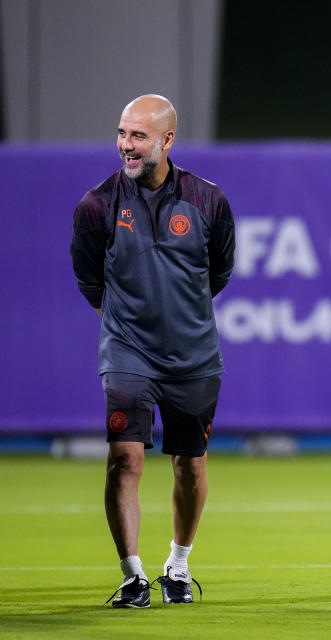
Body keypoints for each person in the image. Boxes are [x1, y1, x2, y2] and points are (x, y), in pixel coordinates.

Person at [70, 95, 235, 608]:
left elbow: (219, 271)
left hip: (194, 358)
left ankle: (178, 566)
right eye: (122, 133)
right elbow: (89, 278)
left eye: (138, 136)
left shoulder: (209, 201)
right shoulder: (97, 204)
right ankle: (133, 575)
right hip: (128, 354)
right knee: (124, 459)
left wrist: (179, 316)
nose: (126, 145)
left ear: (167, 140)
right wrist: (127, 328)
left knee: (190, 465)